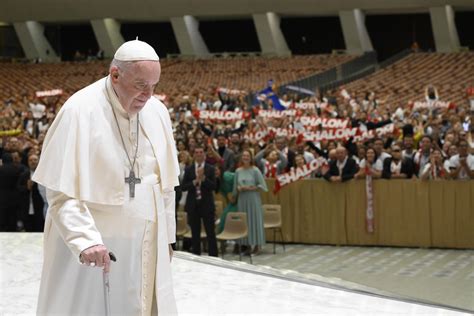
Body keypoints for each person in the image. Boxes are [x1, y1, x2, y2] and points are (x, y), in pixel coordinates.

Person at [32, 40, 180, 315]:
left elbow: (166, 186)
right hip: (99, 247)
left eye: (154, 86)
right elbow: (61, 192)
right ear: (115, 75)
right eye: (140, 85)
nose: (149, 95)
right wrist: (85, 240)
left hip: (146, 243)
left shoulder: (157, 112)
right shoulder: (79, 110)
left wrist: (167, 237)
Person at [181, 146, 218, 257]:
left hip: (207, 204)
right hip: (193, 205)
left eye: (201, 152)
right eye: (196, 152)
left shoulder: (210, 169)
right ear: (194, 155)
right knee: (195, 233)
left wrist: (203, 179)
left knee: (210, 232)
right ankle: (196, 256)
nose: (199, 154)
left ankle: (213, 257)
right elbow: (183, 187)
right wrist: (194, 181)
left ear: (204, 155)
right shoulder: (189, 169)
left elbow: (214, 187)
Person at [233, 149, 268, 255]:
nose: (245, 158)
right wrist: (239, 189)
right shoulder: (238, 171)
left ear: (251, 158)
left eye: (247, 156)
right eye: (243, 156)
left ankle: (257, 246)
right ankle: (247, 245)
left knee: (254, 221)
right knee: (245, 222)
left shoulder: (255, 170)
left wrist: (253, 187)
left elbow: (263, 186)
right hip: (242, 199)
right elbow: (235, 187)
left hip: (253, 199)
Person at [18, 154, 45, 232]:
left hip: (40, 207)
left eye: (35, 160)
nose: (33, 162)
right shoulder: (24, 174)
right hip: (27, 207)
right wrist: (27, 187)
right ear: (28, 162)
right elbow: (18, 188)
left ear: (39, 161)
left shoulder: (42, 175)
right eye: (30, 160)